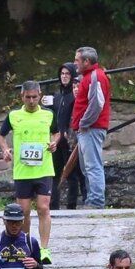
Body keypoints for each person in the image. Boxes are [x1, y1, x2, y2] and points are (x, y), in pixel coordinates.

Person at [0, 81, 58, 257]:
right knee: (23, 212)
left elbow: (57, 132)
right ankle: (26, 246)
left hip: (44, 169)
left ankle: (44, 249)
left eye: (34, 97)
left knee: (43, 208)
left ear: (40, 95)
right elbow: (0, 135)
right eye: (28, 97)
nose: (31, 101)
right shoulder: (14, 115)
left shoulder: (48, 114)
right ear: (22, 97)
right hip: (23, 171)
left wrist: (54, 142)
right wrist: (5, 149)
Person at [71, 46, 111, 209]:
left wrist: (84, 123)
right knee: (87, 166)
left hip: (91, 128)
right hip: (88, 128)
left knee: (92, 165)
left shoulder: (95, 76)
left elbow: (97, 103)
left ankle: (95, 201)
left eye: (77, 60)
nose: (75, 64)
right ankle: (92, 200)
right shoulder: (91, 76)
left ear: (86, 61)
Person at [51, 61, 84, 211]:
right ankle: (53, 205)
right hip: (57, 139)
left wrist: (69, 134)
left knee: (72, 174)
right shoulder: (57, 96)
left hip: (70, 139)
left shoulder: (74, 95)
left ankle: (71, 206)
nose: (64, 77)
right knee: (55, 173)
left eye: (67, 74)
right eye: (62, 74)